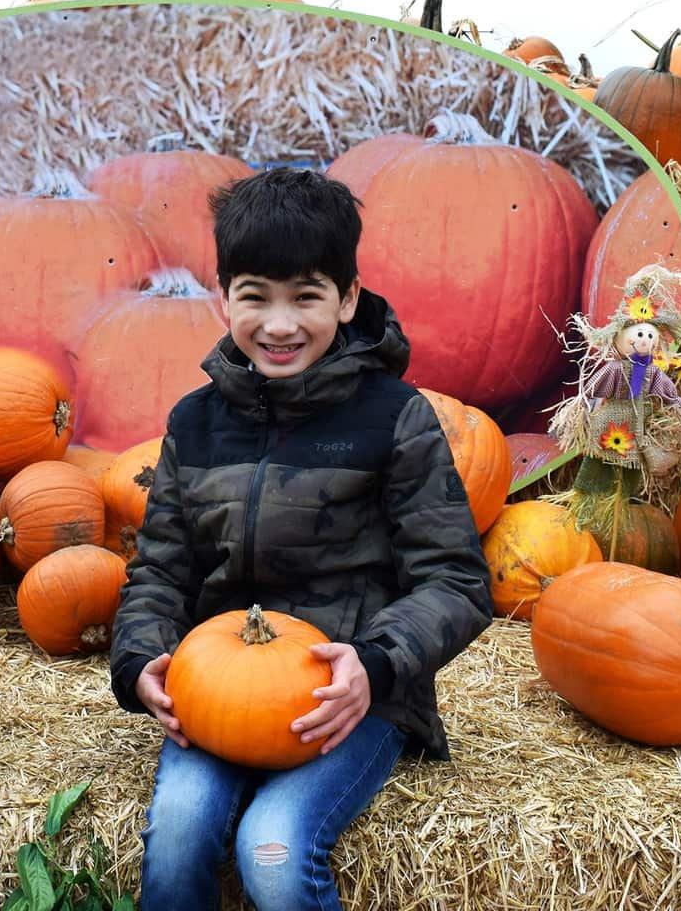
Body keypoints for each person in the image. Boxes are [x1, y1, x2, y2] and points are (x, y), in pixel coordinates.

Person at [108, 167, 494, 911]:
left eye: (306, 297)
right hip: (220, 691)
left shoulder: (394, 417)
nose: (279, 324)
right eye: (256, 296)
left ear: (347, 298)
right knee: (179, 833)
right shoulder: (195, 423)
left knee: (274, 849)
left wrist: (375, 665)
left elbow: (455, 580)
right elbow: (160, 571)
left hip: (349, 698)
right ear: (224, 296)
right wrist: (139, 662)